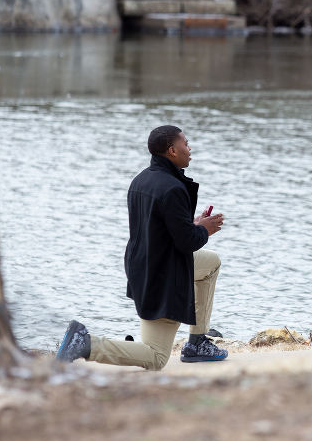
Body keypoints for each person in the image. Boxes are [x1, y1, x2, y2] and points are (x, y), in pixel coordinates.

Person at [56, 125, 228, 369]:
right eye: (185, 144)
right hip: (164, 276)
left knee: (210, 263)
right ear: (171, 150)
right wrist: (203, 230)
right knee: (156, 357)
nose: (189, 149)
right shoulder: (173, 188)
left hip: (142, 266)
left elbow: (160, 228)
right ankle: (86, 343)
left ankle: (197, 341)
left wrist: (191, 224)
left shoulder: (141, 180)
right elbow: (188, 242)